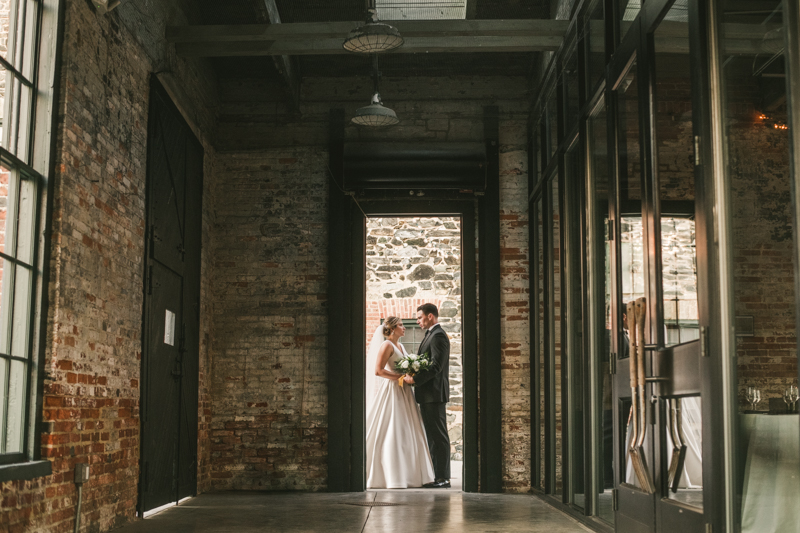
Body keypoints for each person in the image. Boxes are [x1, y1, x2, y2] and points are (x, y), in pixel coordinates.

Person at [365, 316, 435, 489]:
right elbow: (378, 371)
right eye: (401, 325)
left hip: (404, 389)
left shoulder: (401, 346)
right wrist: (401, 377)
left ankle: (409, 473)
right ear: (393, 328)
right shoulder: (386, 345)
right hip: (392, 390)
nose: (404, 328)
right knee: (392, 427)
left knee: (407, 429)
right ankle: (391, 475)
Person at [403, 303, 452, 488]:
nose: (417, 321)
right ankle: (436, 476)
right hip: (428, 395)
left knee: (439, 436)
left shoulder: (438, 336)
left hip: (434, 394)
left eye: (419, 317)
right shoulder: (430, 335)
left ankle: (443, 478)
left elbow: (436, 367)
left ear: (430, 316)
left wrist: (415, 380)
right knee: (431, 435)